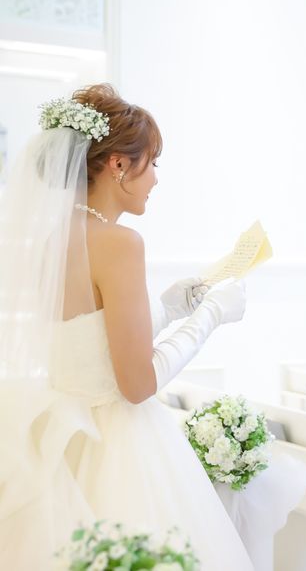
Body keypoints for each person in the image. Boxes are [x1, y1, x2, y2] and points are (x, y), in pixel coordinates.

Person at [0, 84, 255, 569]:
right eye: (152, 162)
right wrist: (211, 316)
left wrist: (168, 309)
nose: (156, 178)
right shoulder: (120, 243)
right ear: (118, 164)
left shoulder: (53, 240)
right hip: (119, 446)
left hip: (67, 442)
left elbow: (89, 345)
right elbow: (137, 384)